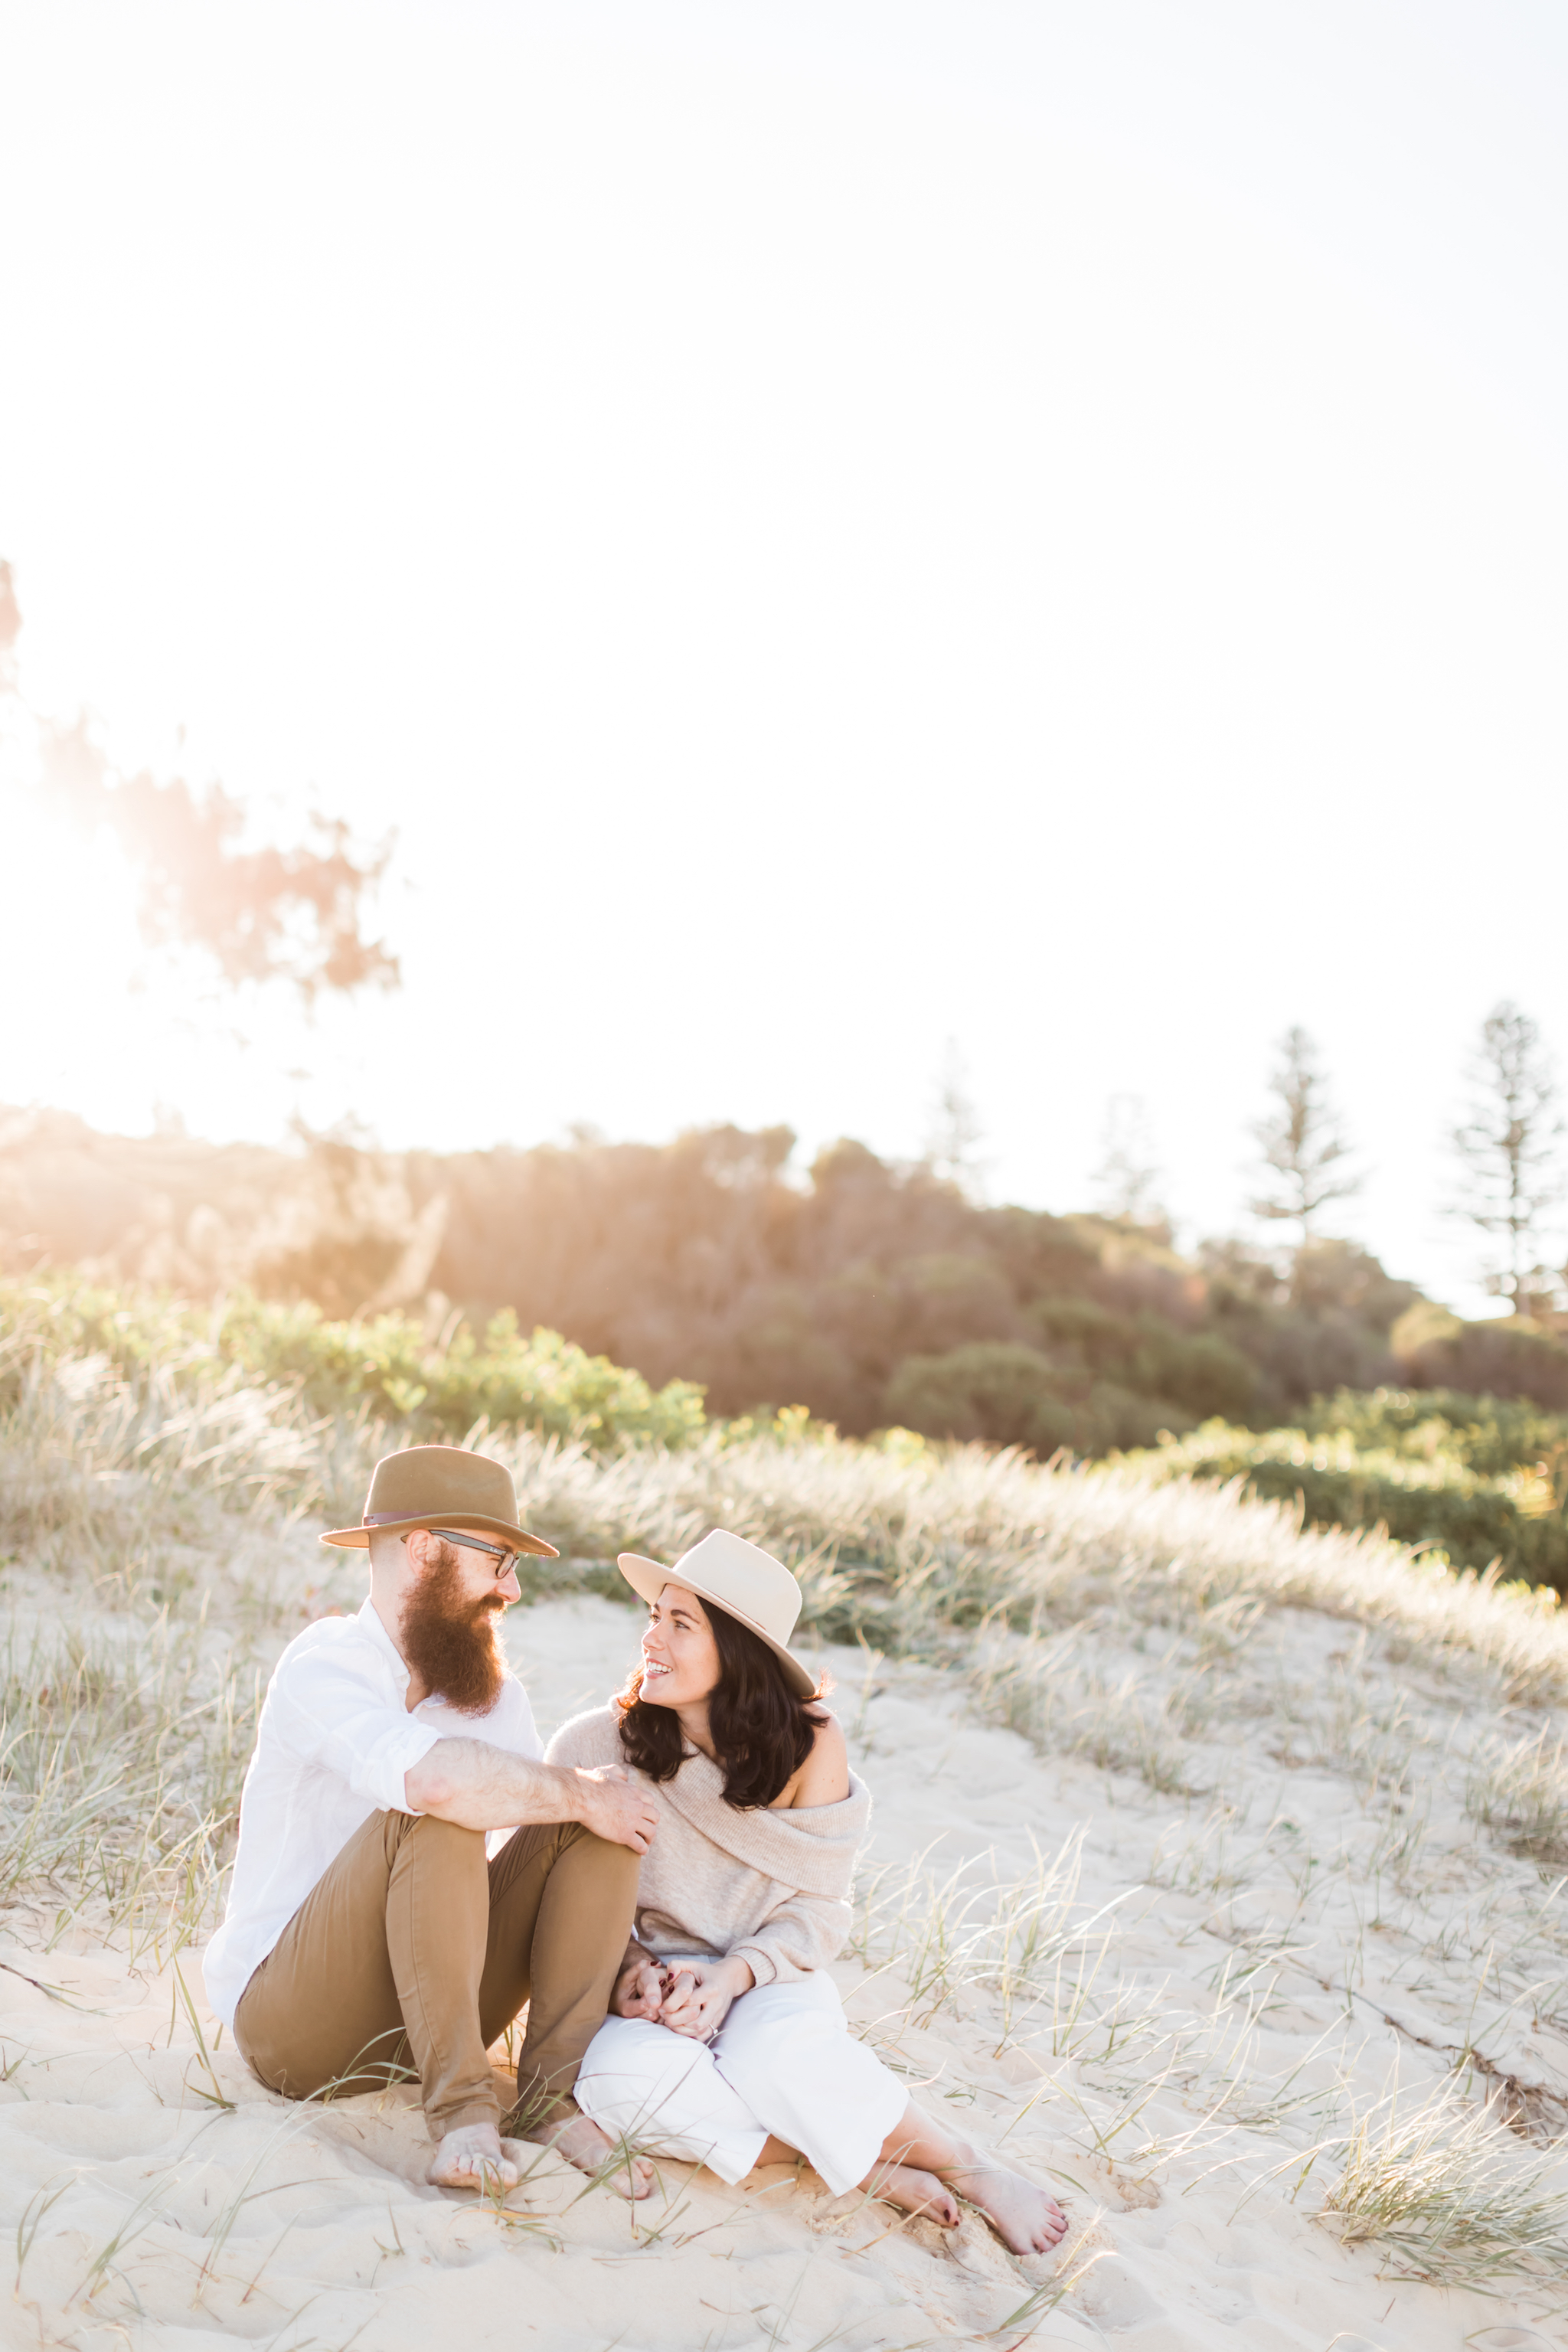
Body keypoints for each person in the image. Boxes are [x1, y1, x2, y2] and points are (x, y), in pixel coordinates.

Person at [546, 1530, 1068, 2253]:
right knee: (616, 2084)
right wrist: (633, 1973)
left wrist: (733, 1976)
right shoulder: (590, 1747)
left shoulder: (810, 1744)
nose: (651, 1638)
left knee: (779, 2063)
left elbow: (819, 1914)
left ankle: (972, 2169)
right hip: (657, 1995)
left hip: (767, 1976)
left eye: (680, 1622)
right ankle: (864, 2169)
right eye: (652, 1615)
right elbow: (562, 1902)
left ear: (738, 1651)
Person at [202, 1444, 662, 2197]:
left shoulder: (491, 1695)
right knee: (439, 1799)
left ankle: (546, 2101)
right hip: (292, 2027)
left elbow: (535, 1854)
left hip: (431, 2009)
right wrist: (580, 1790)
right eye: (498, 1561)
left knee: (589, 1823)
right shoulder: (324, 1665)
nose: (510, 1590)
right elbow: (439, 1784)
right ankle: (462, 2115)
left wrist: (628, 1954)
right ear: (422, 1549)